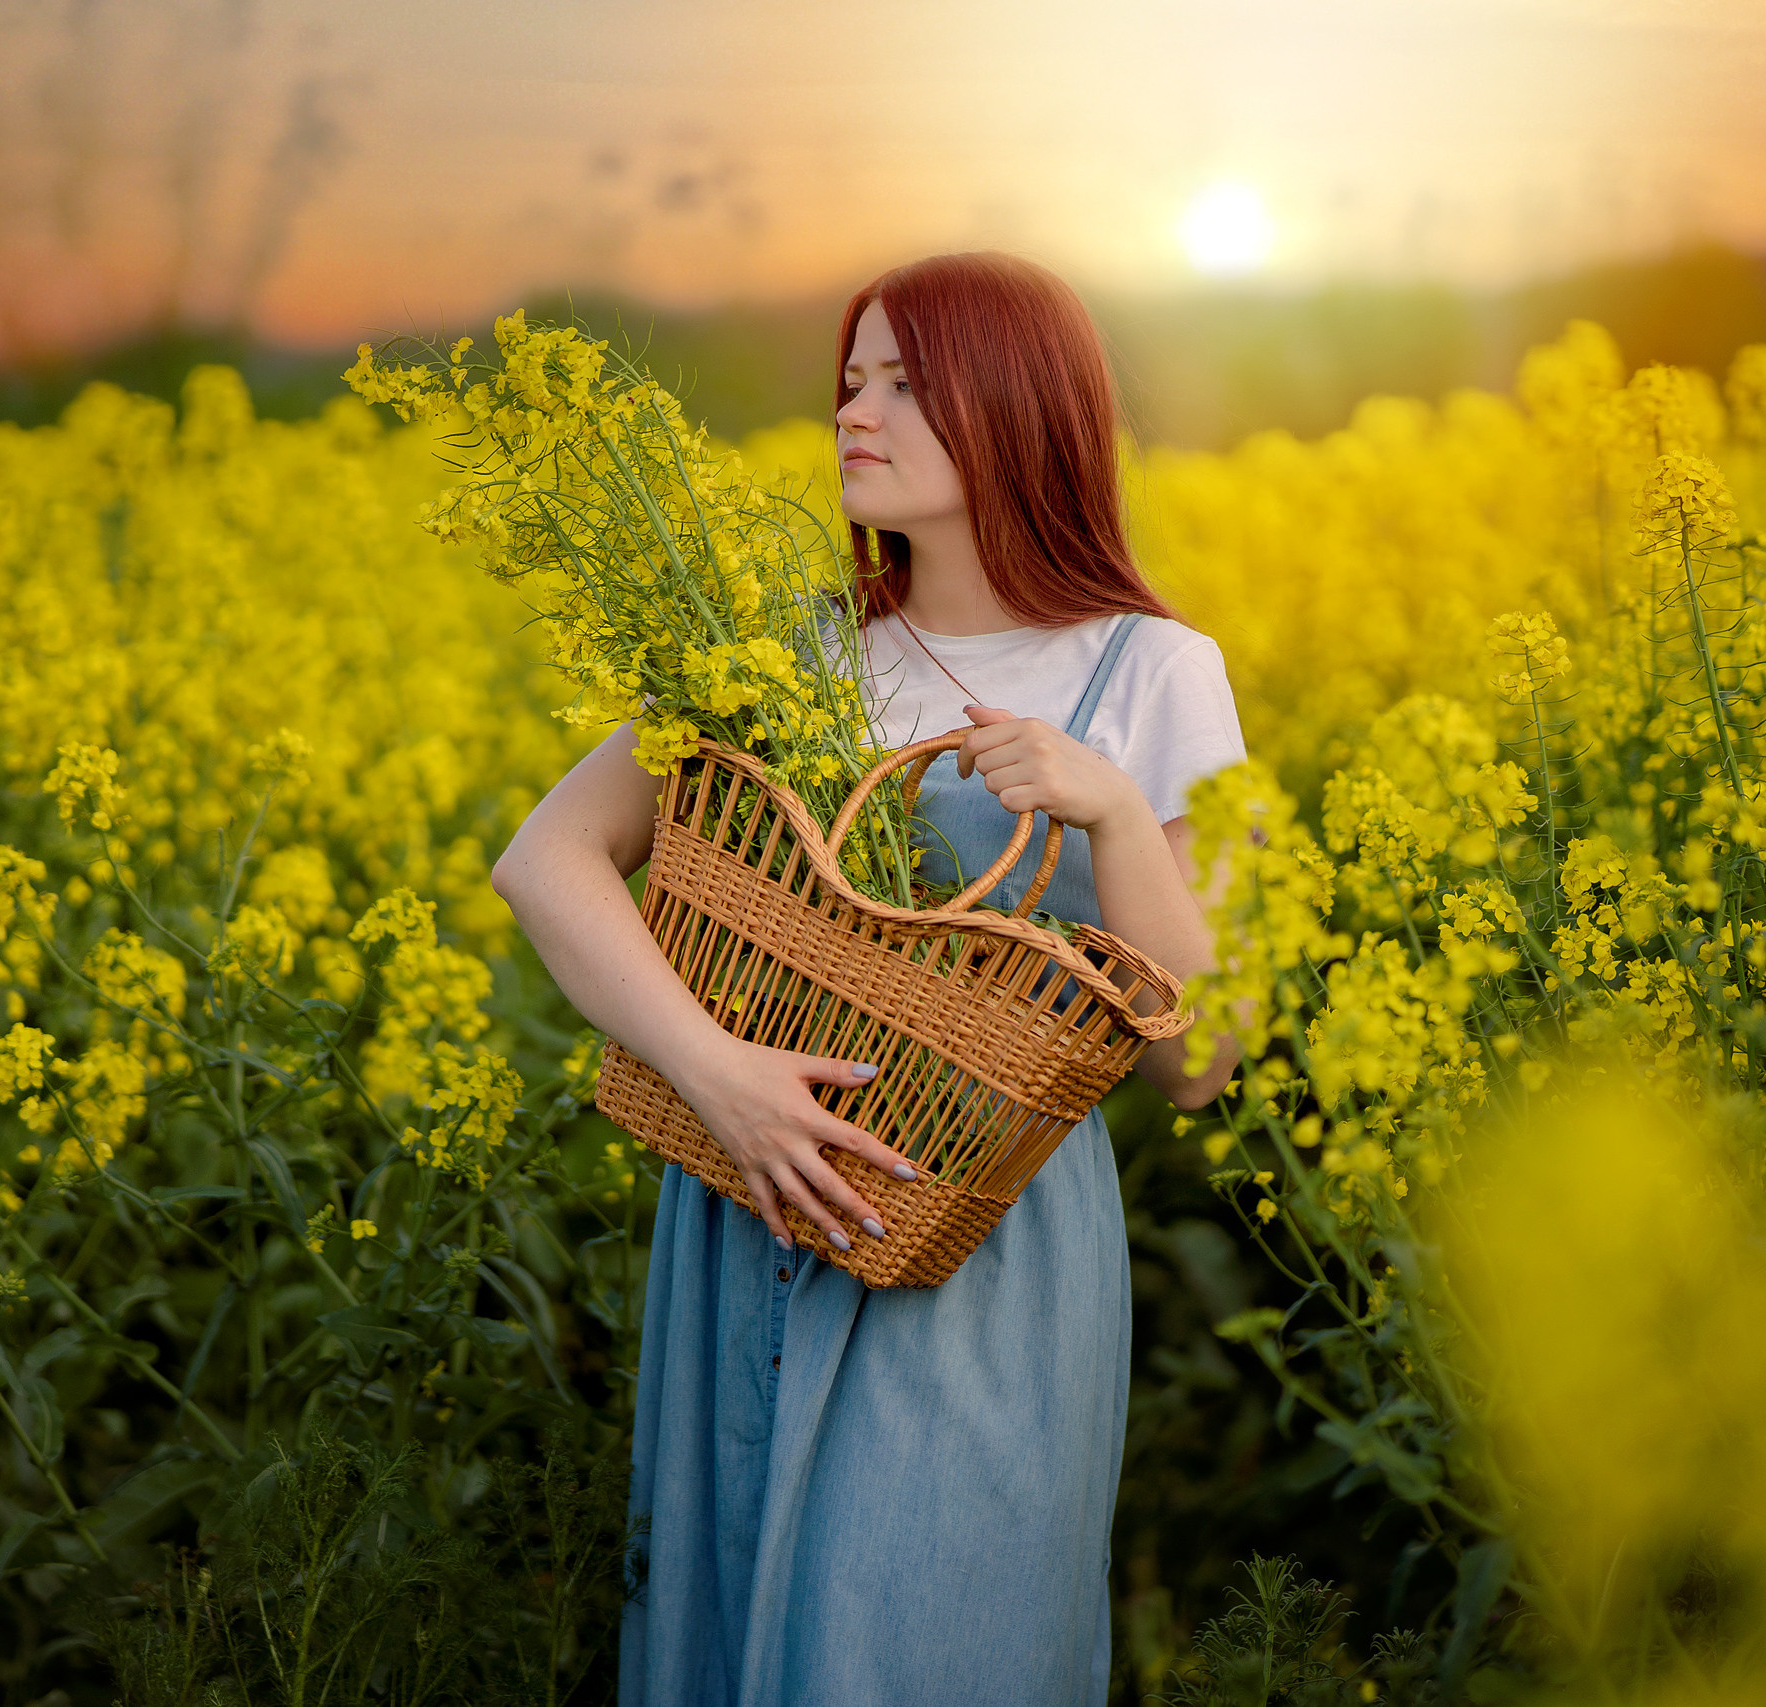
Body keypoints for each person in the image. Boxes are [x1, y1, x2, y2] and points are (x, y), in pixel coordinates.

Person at [491, 251, 1248, 1706]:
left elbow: (1202, 1058)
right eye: (851, 380)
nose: (854, 411)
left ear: (1014, 404)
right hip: (753, 1197)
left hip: (983, 1249)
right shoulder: (787, 656)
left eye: (903, 382)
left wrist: (1103, 807)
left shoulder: (1155, 672)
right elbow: (549, 860)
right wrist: (720, 1077)